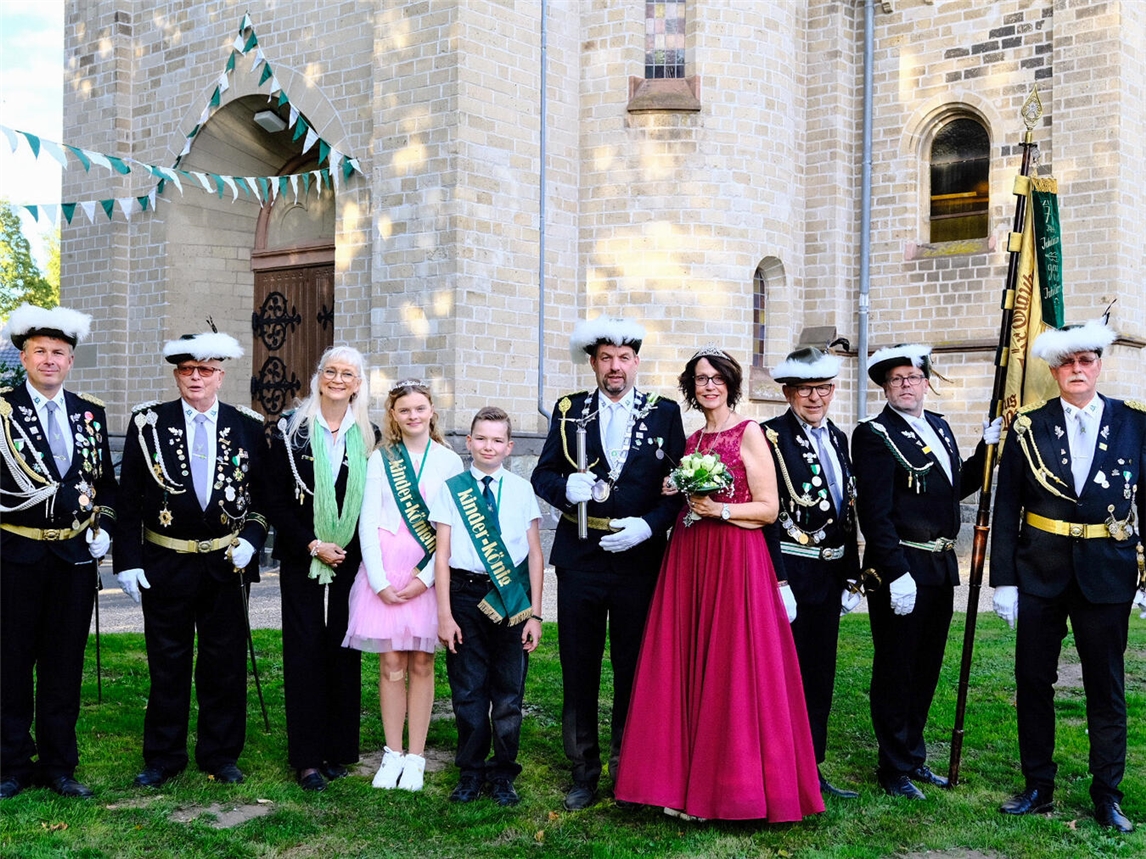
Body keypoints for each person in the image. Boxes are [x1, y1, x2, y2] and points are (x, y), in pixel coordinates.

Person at [614, 347, 823, 822]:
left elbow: (769, 509)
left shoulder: (749, 432)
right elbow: (691, 500)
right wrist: (678, 491)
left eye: (717, 378)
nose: (709, 386)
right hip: (690, 557)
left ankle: (728, 788)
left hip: (735, 559)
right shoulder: (692, 441)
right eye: (700, 379)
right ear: (691, 387)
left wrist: (720, 510)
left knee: (730, 666)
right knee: (688, 661)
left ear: (731, 384)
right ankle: (681, 783)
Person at [990, 319, 1145, 833]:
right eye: (1067, 363)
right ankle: (1038, 785)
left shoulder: (1134, 421)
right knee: (1034, 681)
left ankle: (1108, 794)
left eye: (1086, 361)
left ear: (1099, 365)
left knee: (1107, 686)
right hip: (1041, 572)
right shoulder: (1027, 426)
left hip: (1107, 572)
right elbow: (1007, 506)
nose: (1077, 369)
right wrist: (1004, 580)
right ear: (1055, 371)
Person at [531, 316, 686, 810]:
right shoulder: (569, 410)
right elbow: (542, 474)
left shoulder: (664, 413)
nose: (614, 367)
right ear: (593, 363)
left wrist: (650, 526)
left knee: (632, 667)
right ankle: (583, 769)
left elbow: (680, 487)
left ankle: (627, 768)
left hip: (639, 559)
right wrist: (565, 488)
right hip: (581, 557)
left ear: (636, 362)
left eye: (623, 358)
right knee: (579, 666)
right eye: (605, 358)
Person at [115, 328, 268, 788]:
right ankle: (164, 757)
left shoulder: (248, 425)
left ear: (220, 375)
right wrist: (127, 560)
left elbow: (264, 497)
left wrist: (253, 538)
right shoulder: (148, 423)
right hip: (166, 561)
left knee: (224, 662)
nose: (195, 377)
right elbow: (128, 497)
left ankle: (220, 754)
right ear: (176, 375)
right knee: (168, 662)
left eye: (205, 369)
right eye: (186, 370)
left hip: (226, 562)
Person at [851, 344, 999, 799]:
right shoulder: (874, 434)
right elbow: (874, 514)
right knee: (896, 667)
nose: (905, 386)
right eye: (896, 380)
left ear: (926, 383)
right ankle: (892, 766)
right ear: (885, 387)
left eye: (913, 378)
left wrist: (987, 449)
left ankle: (912, 756)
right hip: (901, 567)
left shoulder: (939, 425)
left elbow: (955, 488)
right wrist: (896, 572)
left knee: (926, 667)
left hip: (938, 566)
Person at [0, 305, 116, 800]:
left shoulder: (90, 412)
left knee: (64, 665)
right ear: (24, 357)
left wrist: (105, 528)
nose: (50, 360)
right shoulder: (3, 410)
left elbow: (105, 484)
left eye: (59, 352)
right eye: (41, 351)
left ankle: (59, 765)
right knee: (10, 664)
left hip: (73, 559)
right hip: (15, 556)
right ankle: (10, 764)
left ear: (70, 361)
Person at [262, 346, 375, 792]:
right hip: (302, 555)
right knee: (304, 652)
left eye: (347, 373)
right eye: (331, 371)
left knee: (344, 650)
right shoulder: (292, 430)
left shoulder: (367, 435)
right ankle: (307, 758)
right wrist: (312, 544)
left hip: (349, 557)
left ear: (358, 383)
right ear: (319, 376)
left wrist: (344, 549)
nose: (338, 379)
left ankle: (338, 749)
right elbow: (274, 499)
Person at [343, 379, 463, 792]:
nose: (414, 416)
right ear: (393, 415)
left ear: (432, 411)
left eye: (420, 408)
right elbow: (368, 520)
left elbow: (454, 525)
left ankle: (416, 757)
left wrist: (425, 579)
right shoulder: (381, 459)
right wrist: (378, 581)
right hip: (386, 566)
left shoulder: (449, 461)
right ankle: (391, 753)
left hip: (429, 569)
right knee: (391, 663)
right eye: (405, 410)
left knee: (422, 663)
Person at [430, 407, 544, 807]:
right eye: (481, 438)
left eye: (497, 440)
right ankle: (471, 771)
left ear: (509, 447)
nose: (488, 446)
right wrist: (444, 614)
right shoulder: (452, 489)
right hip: (463, 594)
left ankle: (503, 773)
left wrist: (536, 614)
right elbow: (441, 556)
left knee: (509, 692)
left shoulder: (521, 489)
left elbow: (534, 554)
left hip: (510, 595)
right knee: (468, 688)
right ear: (468, 442)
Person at [764, 345, 862, 800]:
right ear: (787, 393)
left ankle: (811, 768)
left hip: (829, 575)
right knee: (784, 678)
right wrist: (778, 580)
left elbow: (848, 511)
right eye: (804, 390)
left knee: (820, 676)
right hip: (793, 574)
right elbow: (767, 516)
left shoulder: (838, 436)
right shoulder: (769, 437)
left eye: (823, 388)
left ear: (833, 390)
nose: (815, 398)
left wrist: (852, 575)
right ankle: (779, 768)